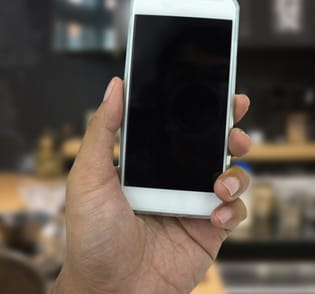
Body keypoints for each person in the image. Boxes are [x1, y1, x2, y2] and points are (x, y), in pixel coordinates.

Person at [50, 77, 251, 294]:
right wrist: (93, 288)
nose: (193, 96)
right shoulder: (136, 166)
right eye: (184, 75)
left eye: (210, 76)